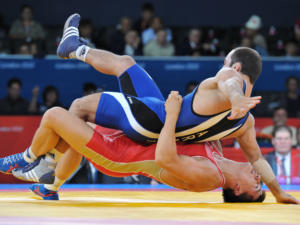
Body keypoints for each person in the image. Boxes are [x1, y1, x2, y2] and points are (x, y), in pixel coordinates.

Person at [17, 13, 297, 203]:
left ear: (234, 66)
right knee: (126, 63)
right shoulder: (235, 132)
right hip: (157, 114)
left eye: (225, 63)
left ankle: (46, 168)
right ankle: (75, 48)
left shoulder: (212, 171)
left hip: (145, 132)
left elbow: (230, 84)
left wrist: (232, 99)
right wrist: (278, 192)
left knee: (75, 108)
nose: (257, 176)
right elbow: (258, 158)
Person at [2, 92, 266, 203]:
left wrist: (172, 114)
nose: (259, 178)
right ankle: (50, 187)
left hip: (119, 156)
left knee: (54, 116)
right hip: (129, 139)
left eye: (256, 186)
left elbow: (164, 158)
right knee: (74, 124)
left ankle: (27, 159)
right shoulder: (217, 152)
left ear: (238, 189)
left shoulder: (209, 177)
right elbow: (214, 120)